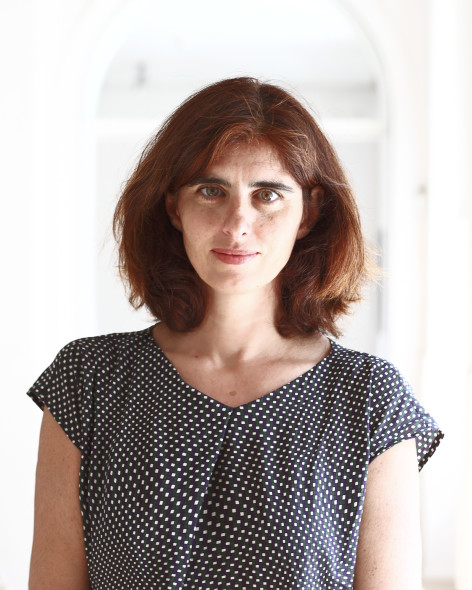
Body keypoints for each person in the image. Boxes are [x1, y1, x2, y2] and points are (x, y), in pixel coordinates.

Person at [27, 77, 442, 590]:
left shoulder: (369, 399)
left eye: (267, 195)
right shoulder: (88, 381)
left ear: (309, 212)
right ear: (174, 208)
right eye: (211, 191)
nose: (236, 223)